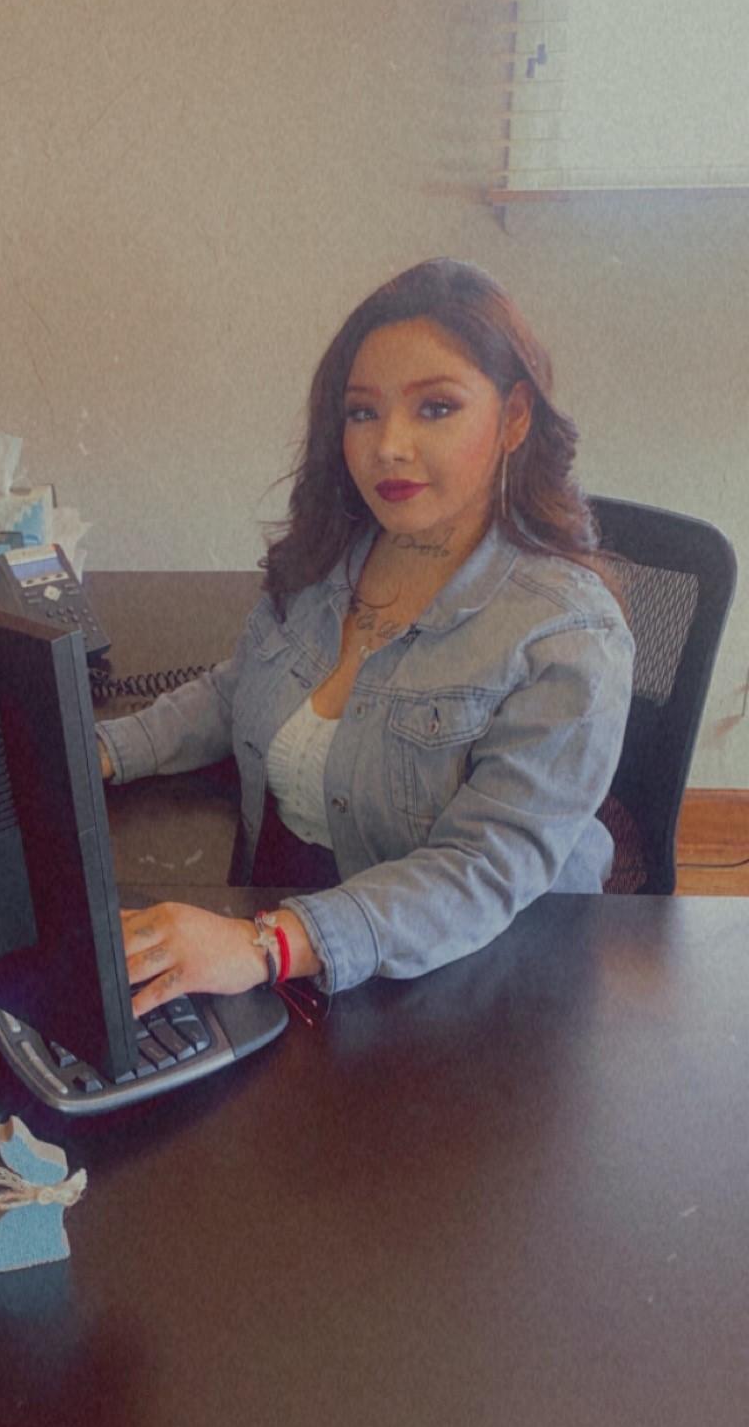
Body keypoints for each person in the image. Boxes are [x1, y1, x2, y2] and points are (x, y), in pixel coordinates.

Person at [96, 258, 634, 1018]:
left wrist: (264, 945)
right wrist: (106, 750)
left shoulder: (567, 634)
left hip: (481, 982)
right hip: (306, 927)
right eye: (362, 413)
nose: (388, 446)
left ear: (514, 417)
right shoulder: (332, 557)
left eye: (436, 408)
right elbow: (236, 688)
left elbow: (481, 870)